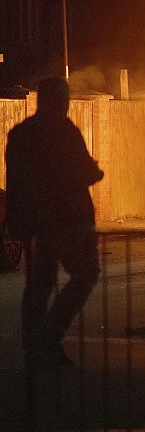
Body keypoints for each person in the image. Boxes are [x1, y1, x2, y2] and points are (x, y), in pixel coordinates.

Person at [5, 76, 104, 366]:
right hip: (69, 221)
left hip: (35, 224)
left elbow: (15, 183)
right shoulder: (64, 131)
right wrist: (95, 172)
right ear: (61, 100)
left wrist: (18, 222)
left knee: (40, 284)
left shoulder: (20, 134)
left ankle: (33, 345)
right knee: (86, 274)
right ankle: (49, 335)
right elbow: (84, 172)